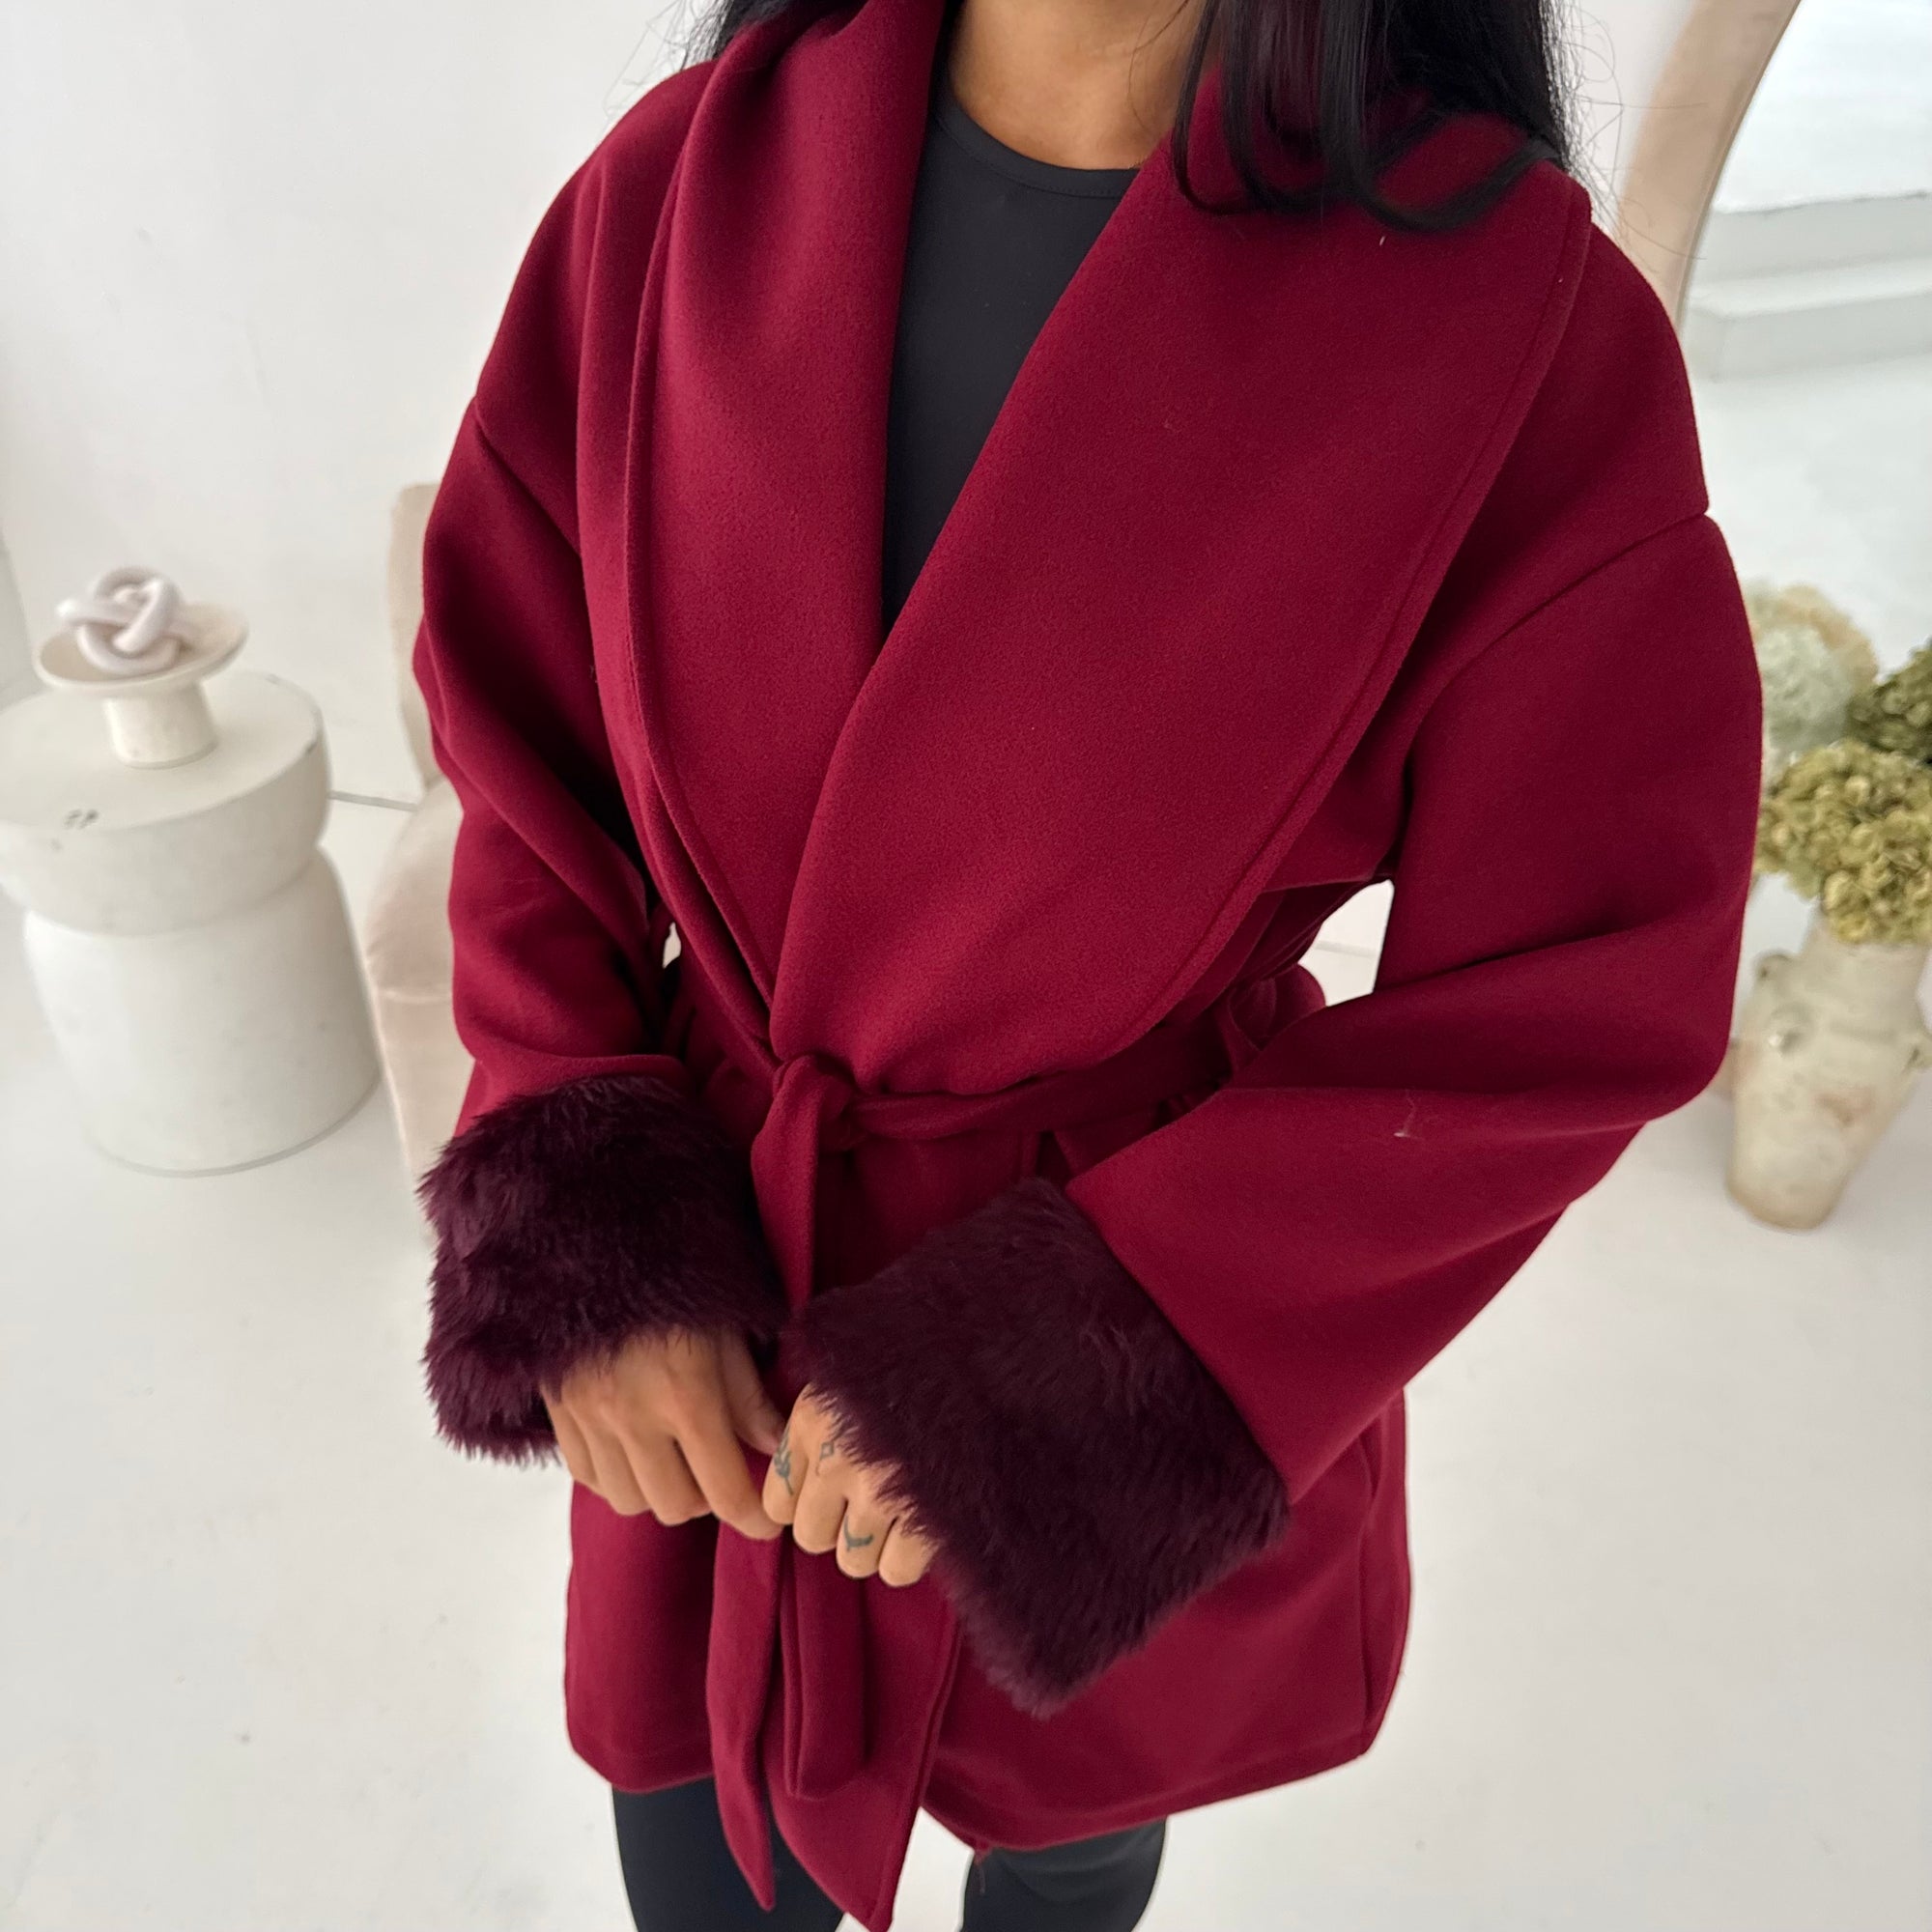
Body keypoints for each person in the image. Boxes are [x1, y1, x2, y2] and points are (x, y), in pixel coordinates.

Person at [409, 0, 1764, 1923]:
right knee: (697, 1826)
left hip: (1128, 1316)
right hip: (709, 1293)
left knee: (1068, 1838)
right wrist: (586, 1225)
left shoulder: (1518, 330)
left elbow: (1586, 969)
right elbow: (522, 735)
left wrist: (1064, 1370)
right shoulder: (673, 190)